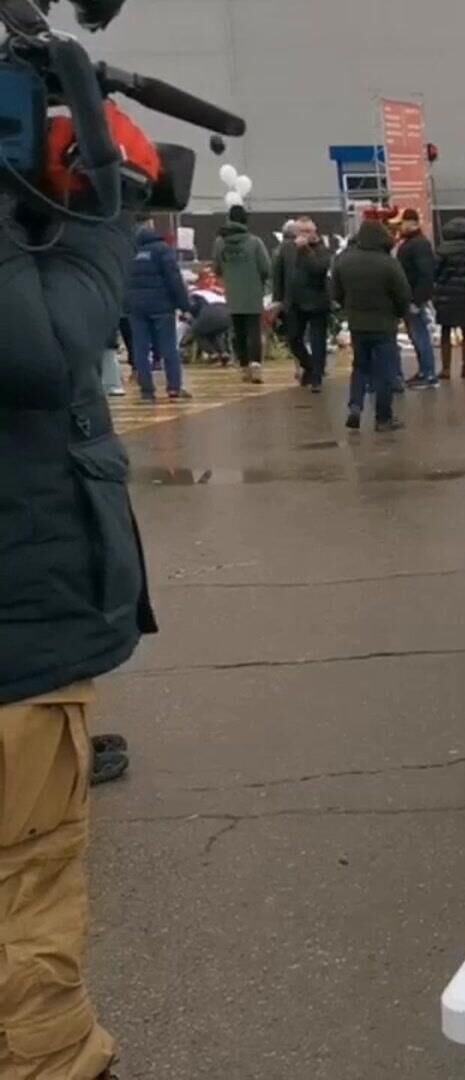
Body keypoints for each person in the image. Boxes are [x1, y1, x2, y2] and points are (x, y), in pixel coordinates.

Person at [2, 103, 165, 1080]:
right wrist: (105, 217)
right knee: (29, 881)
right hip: (21, 642)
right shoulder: (32, 294)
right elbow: (39, 354)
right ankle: (57, 1064)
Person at [329, 219, 411, 432]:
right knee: (385, 371)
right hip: (384, 324)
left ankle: (355, 406)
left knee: (360, 367)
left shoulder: (344, 260)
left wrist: (347, 307)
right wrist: (400, 313)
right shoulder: (388, 263)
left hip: (357, 323)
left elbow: (335, 291)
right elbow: (402, 293)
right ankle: (383, 418)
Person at [123, 215, 193, 401]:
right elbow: (174, 280)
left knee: (140, 349)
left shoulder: (128, 251)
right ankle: (174, 388)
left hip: (136, 308)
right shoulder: (162, 250)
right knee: (168, 347)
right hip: (162, 307)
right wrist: (184, 305)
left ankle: (146, 391)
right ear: (150, 226)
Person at [272, 218, 335, 392]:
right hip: (294, 301)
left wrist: (306, 249)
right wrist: (277, 299)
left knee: (317, 341)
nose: (308, 235)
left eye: (310, 231)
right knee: (293, 338)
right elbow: (278, 273)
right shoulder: (285, 249)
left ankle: (317, 377)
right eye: (303, 231)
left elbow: (318, 269)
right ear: (296, 233)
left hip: (317, 301)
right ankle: (309, 366)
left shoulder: (322, 250)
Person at [212, 204, 272, 383]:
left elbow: (216, 268)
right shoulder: (254, 242)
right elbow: (266, 268)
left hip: (232, 292)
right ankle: (255, 366)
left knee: (237, 331)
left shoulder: (220, 242)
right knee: (253, 330)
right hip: (253, 291)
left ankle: (244, 366)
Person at [393, 209, 439, 388]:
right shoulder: (411, 243)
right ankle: (424, 372)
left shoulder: (418, 245)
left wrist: (417, 300)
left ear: (412, 223)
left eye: (402, 223)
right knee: (416, 336)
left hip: (414, 299)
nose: (399, 227)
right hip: (410, 298)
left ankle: (428, 375)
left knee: (420, 336)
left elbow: (425, 274)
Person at [433, 218, 465, 380]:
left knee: (445, 331)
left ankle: (446, 369)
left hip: (446, 295)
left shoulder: (442, 250)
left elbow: (435, 272)